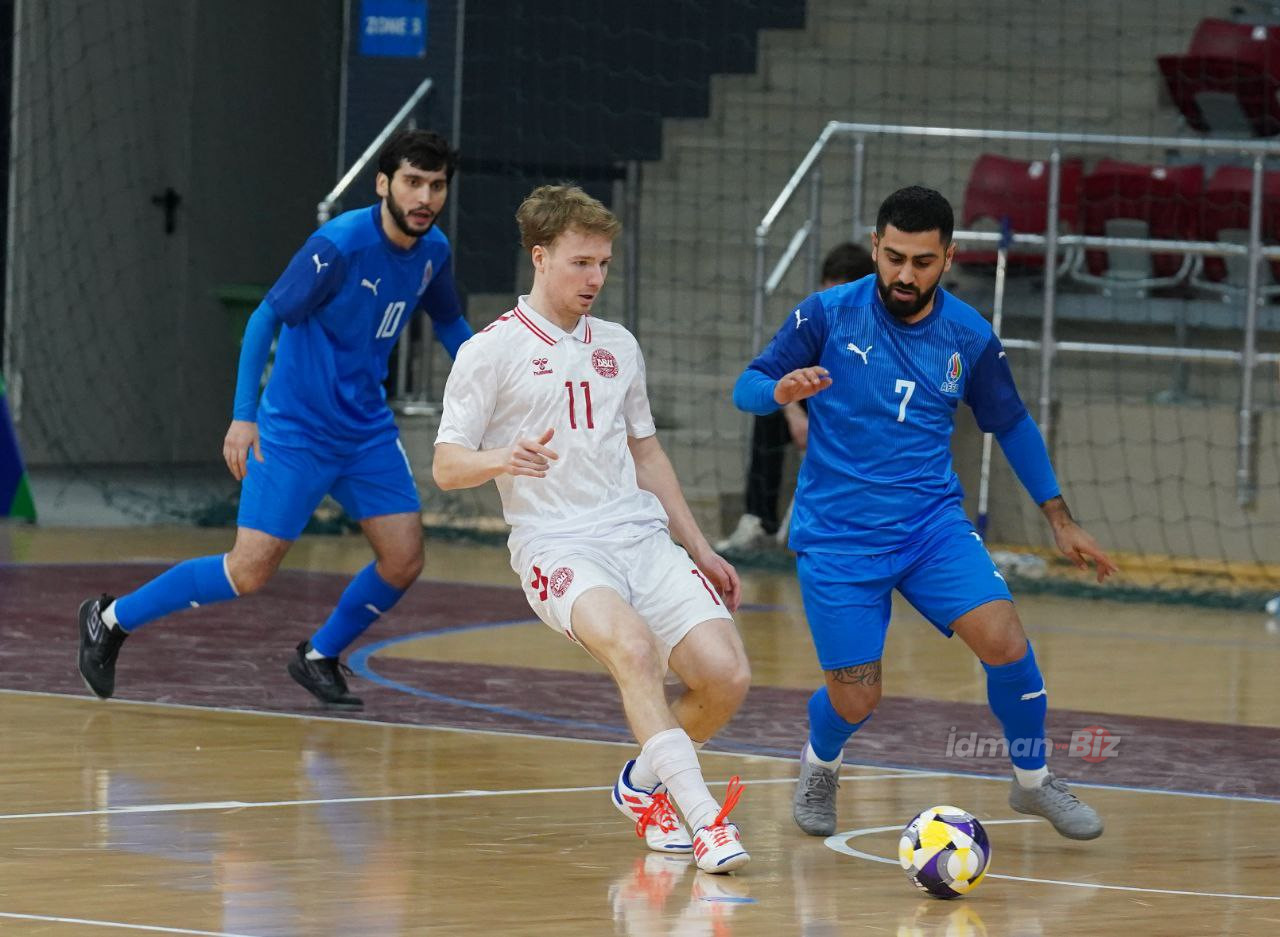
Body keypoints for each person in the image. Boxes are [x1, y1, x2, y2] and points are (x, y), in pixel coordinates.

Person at [732, 186, 1118, 841]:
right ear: (876, 248)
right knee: (857, 697)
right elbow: (746, 386)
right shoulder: (825, 315)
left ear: (947, 259)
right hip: (840, 538)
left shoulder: (969, 335)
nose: (905, 275)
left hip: (930, 528)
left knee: (1006, 642)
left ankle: (1033, 782)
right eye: (895, 258)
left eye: (922, 261)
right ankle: (821, 762)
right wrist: (778, 389)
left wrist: (1059, 517)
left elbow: (1012, 423)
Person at [77, 129, 472, 710]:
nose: (425, 197)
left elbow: (451, 324)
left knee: (404, 557)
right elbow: (265, 317)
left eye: (436, 186)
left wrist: (498, 384)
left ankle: (319, 655)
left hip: (364, 431)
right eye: (413, 182)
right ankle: (110, 619)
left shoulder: (433, 250)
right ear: (383, 184)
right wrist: (244, 418)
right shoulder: (340, 245)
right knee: (248, 572)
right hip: (296, 432)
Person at [433, 184, 752, 874]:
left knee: (725, 677)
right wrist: (502, 457)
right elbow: (446, 466)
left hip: (638, 535)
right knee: (634, 650)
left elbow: (647, 453)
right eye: (581, 262)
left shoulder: (618, 345)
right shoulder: (490, 351)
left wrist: (700, 547)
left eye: (603, 264)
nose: (595, 278)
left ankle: (640, 786)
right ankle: (705, 820)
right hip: (557, 545)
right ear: (540, 256)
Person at [716, 242, 875, 552]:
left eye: (840, 290)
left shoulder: (876, 330)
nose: (832, 298)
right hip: (814, 400)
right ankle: (759, 520)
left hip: (856, 415)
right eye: (827, 288)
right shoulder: (815, 319)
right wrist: (794, 413)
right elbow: (778, 377)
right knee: (770, 413)